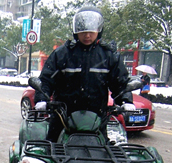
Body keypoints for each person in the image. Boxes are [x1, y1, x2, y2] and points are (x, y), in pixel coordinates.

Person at [35, 5, 135, 142]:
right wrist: (42, 98)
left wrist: (125, 100)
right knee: (50, 151)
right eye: (83, 31)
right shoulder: (62, 54)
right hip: (63, 116)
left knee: (104, 155)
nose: (87, 35)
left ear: (98, 30)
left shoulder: (108, 56)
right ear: (76, 31)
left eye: (91, 31)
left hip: (97, 118)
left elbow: (120, 82)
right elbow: (46, 80)